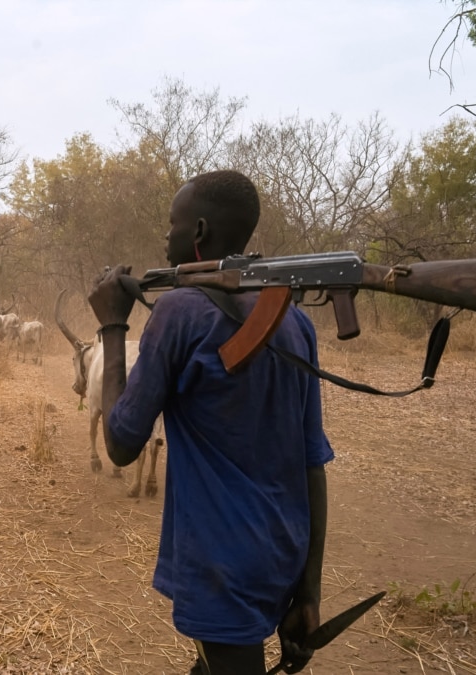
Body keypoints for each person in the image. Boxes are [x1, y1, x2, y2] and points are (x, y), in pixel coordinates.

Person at [86, 170, 333, 675]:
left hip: (223, 566)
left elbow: (120, 443)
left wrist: (113, 325)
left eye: (171, 225)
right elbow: (313, 464)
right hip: (285, 553)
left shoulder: (179, 313)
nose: (165, 237)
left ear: (197, 232)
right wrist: (309, 589)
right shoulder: (296, 321)